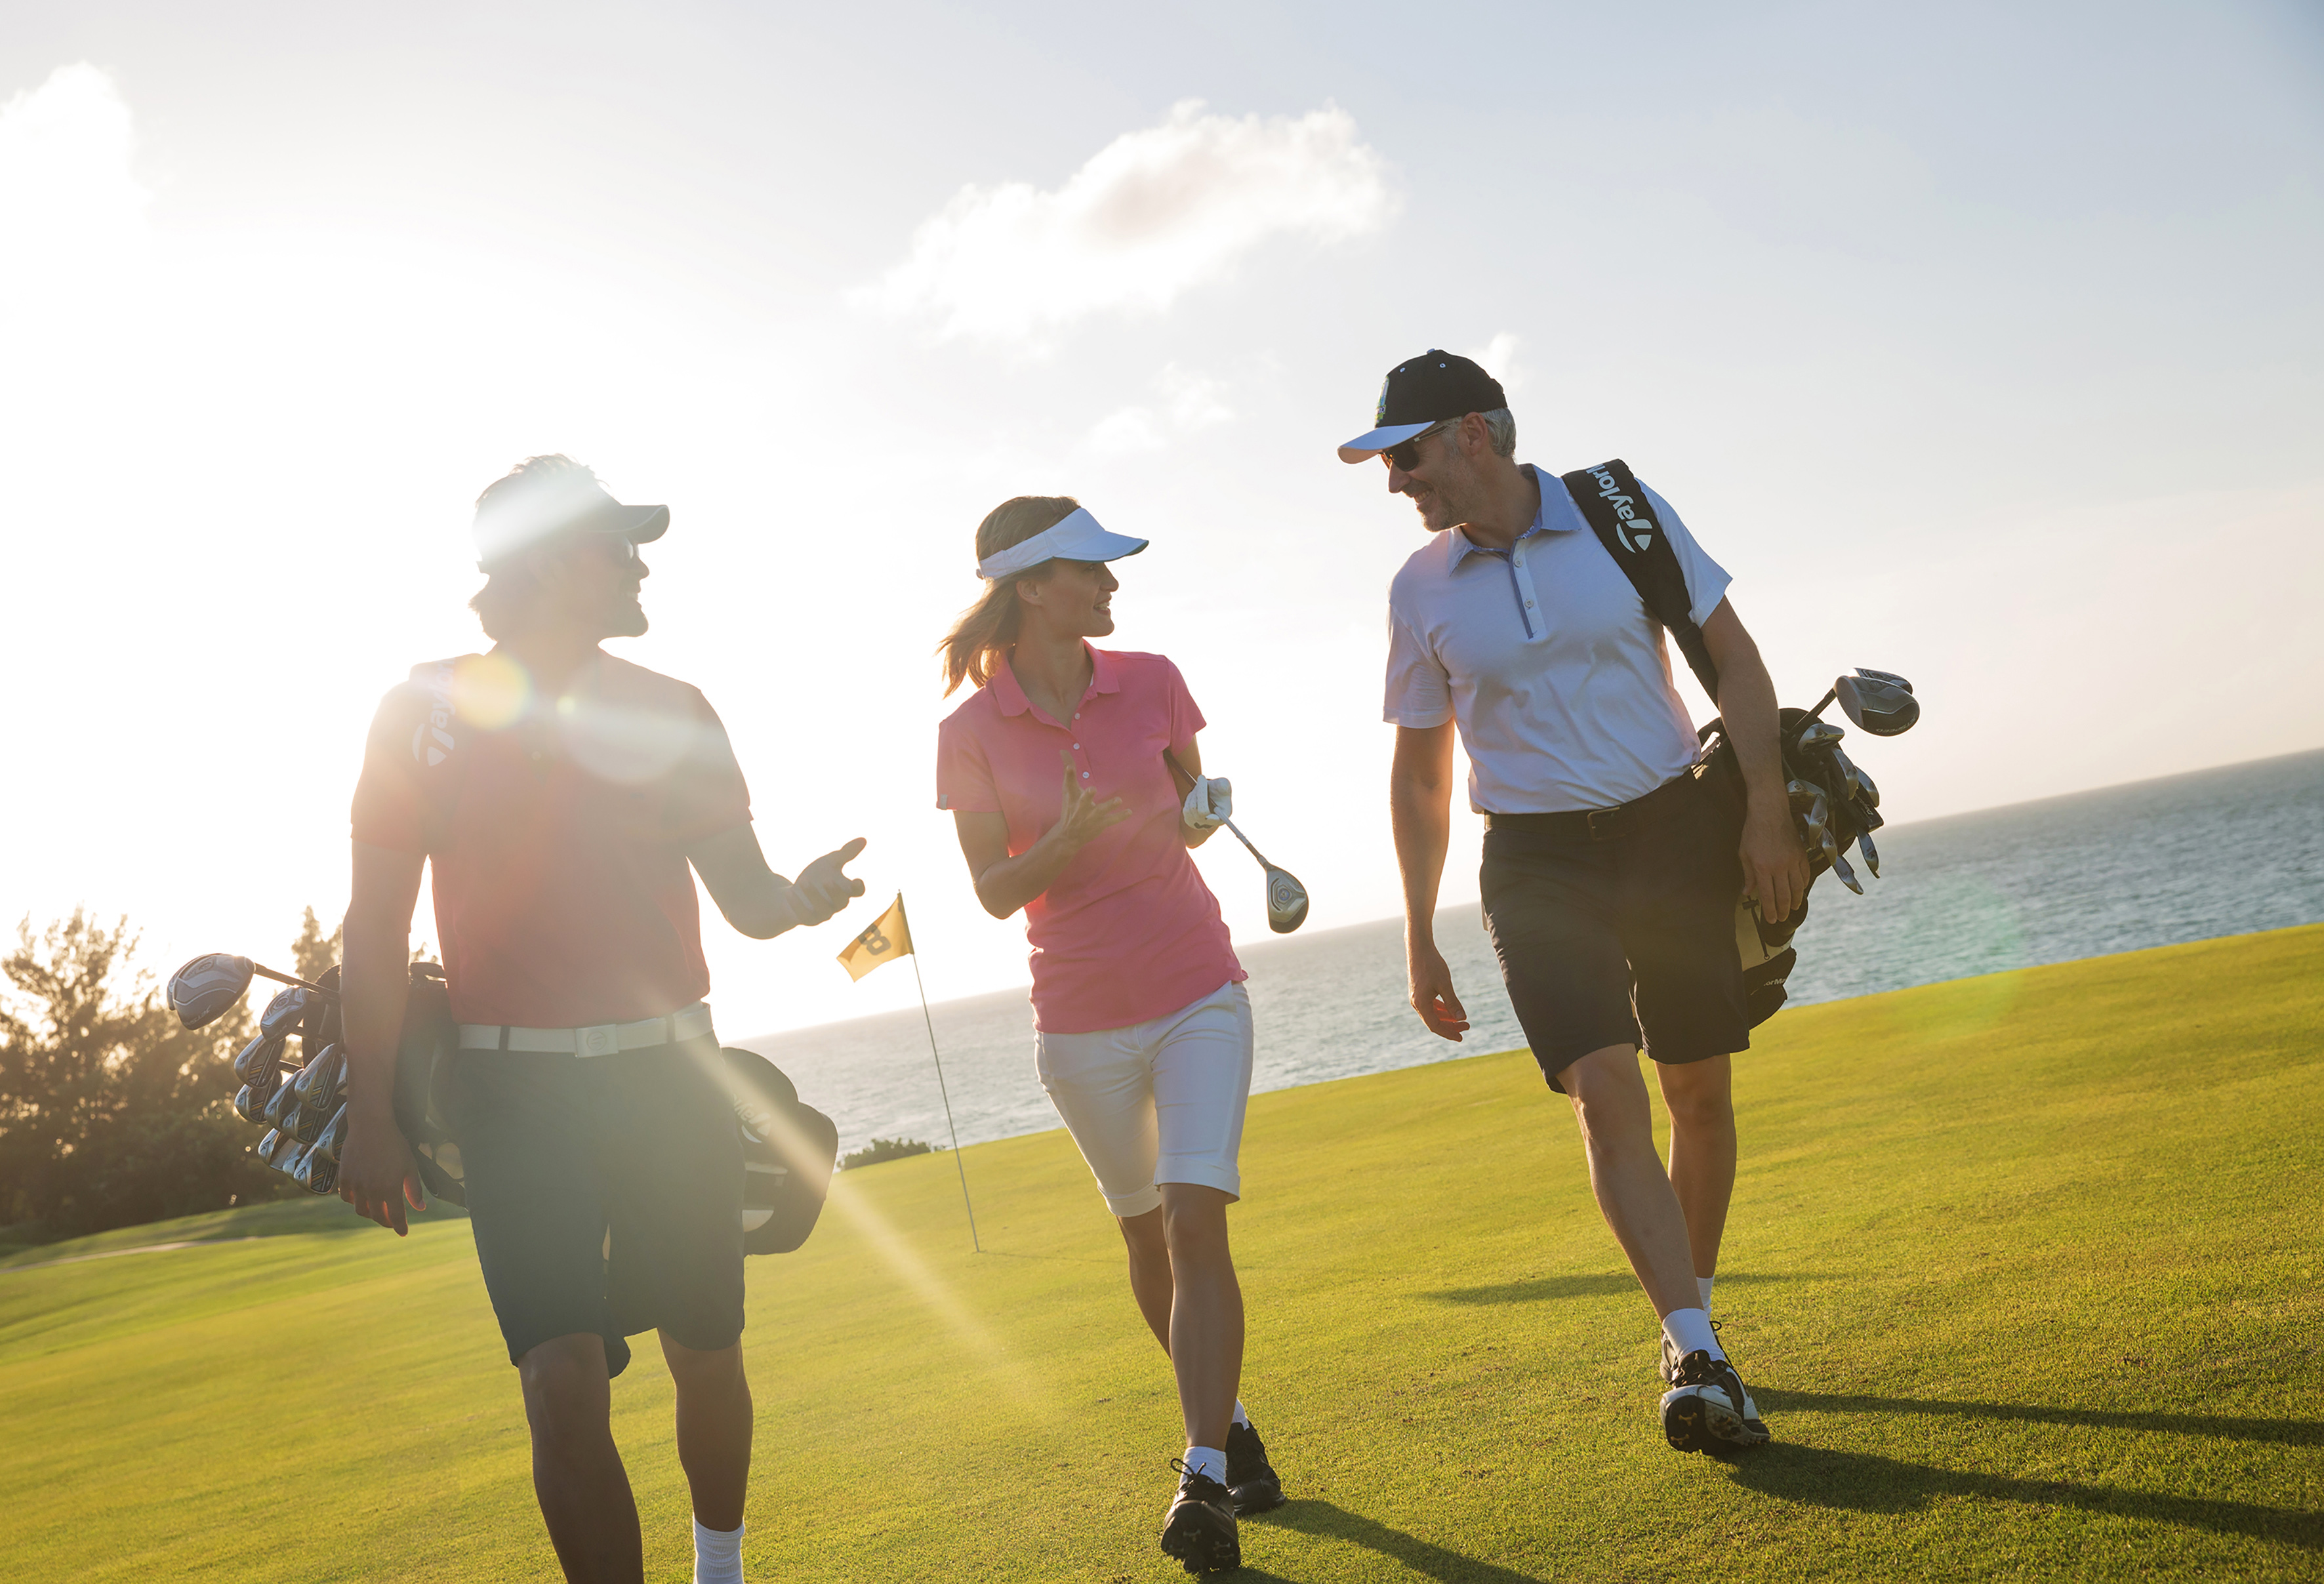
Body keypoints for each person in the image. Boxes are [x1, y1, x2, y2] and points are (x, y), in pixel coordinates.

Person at [334, 455, 868, 1584]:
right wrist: (368, 1115)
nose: (639, 566)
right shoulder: (421, 711)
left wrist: (801, 898)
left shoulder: (674, 710)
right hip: (514, 1095)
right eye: (617, 545)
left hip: (673, 1079)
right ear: (546, 563)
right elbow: (372, 930)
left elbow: (748, 897)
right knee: (559, 1378)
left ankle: (717, 1571)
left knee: (706, 1350)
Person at [1339, 351, 1810, 1455]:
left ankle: (1694, 1315)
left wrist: (1766, 814)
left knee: (1695, 1087)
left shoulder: (1622, 513)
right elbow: (1420, 775)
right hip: (1535, 862)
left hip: (1668, 833)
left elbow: (1735, 666)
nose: (1398, 483)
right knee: (1604, 1090)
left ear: (1473, 433)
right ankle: (1692, 1346)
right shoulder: (1418, 588)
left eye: (1406, 456)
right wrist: (1417, 933)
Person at [933, 497, 1284, 1576]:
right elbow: (994, 892)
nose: (1111, 588)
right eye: (1093, 570)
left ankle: (1200, 1475)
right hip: (1078, 1018)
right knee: (1145, 1240)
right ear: (1033, 586)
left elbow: (1197, 797)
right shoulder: (968, 734)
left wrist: (1203, 810)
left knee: (1192, 1225)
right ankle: (1225, 1426)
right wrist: (1065, 843)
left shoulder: (1154, 679)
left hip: (1195, 989)